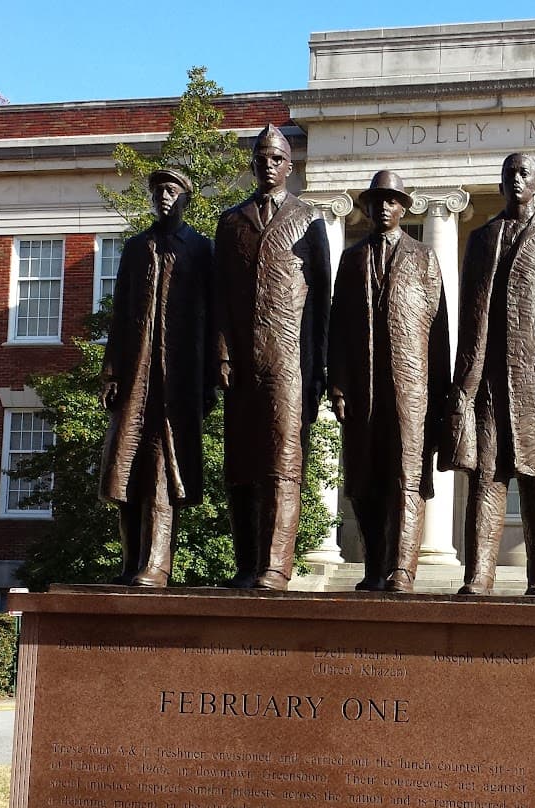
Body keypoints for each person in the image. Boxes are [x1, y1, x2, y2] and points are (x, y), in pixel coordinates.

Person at [447, 153, 535, 598]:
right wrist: (463, 376)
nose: (516, 180)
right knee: (486, 477)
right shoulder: (481, 238)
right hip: (486, 379)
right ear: (500, 183)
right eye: (509, 174)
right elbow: (468, 309)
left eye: (524, 173)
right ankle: (478, 574)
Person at [212, 125, 332, 590]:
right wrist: (221, 352)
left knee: (284, 462)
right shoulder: (231, 222)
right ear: (253, 162)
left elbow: (322, 300)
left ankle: (276, 567)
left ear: (290, 165)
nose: (269, 164)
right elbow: (220, 295)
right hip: (241, 361)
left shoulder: (309, 220)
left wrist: (319, 368)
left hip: (289, 360)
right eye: (262, 156)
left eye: (277, 157)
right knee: (240, 465)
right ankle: (246, 564)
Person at [328, 170, 451, 593]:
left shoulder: (424, 258)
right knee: (363, 480)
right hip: (363, 388)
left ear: (404, 208)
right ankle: (374, 566)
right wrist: (338, 383)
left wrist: (440, 393)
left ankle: (403, 569)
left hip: (411, 389)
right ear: (367, 207)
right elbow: (337, 328)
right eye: (377, 200)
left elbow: (438, 333)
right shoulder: (351, 258)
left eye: (392, 200)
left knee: (407, 477)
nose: (384, 207)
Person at [97, 167, 216, 586]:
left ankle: (158, 564)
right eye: (157, 191)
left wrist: (212, 376)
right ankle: (131, 562)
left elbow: (214, 318)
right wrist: (110, 373)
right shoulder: (136, 248)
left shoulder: (201, 249)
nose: (163, 197)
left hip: (178, 379)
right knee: (125, 467)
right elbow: (120, 315)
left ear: (187, 197)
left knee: (165, 468)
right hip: (135, 377)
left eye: (171, 190)